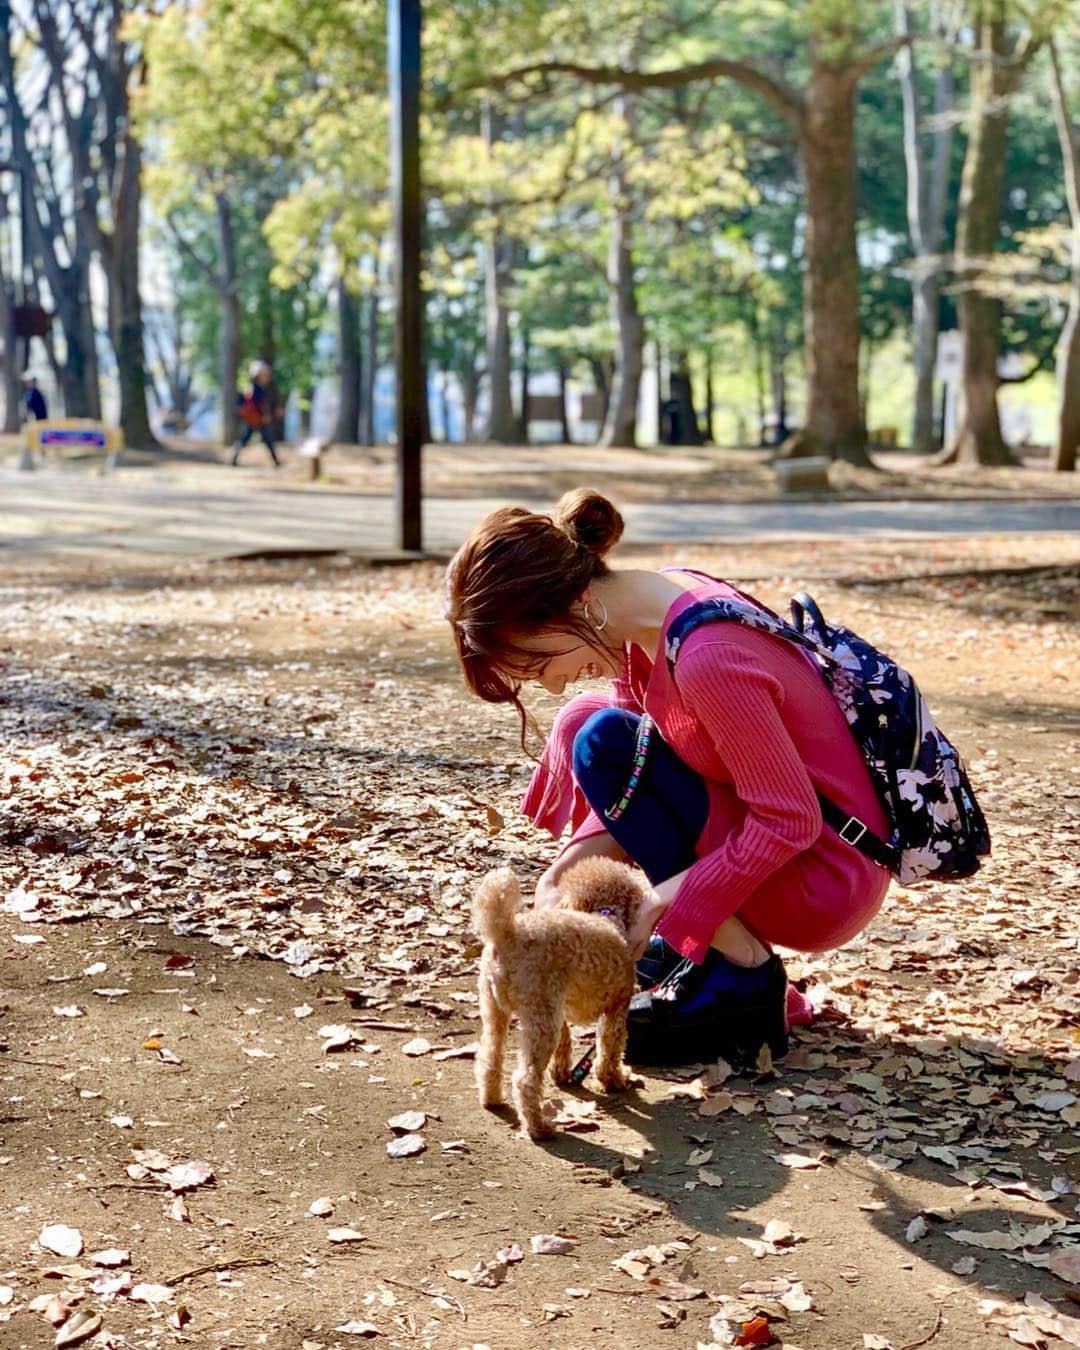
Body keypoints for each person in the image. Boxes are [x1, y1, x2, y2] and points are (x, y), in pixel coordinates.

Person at [444, 488, 892, 1067]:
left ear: (566, 604)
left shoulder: (708, 657)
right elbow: (645, 758)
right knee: (591, 723)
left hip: (824, 876)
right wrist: (567, 868)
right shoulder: (652, 611)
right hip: (804, 841)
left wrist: (666, 903)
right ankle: (714, 950)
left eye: (535, 661)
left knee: (601, 736)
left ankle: (741, 973)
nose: (550, 685)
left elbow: (790, 821)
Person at [230, 360, 281, 467]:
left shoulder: (251, 388)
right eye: (265, 375)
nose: (266, 377)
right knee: (261, 440)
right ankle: (276, 462)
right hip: (257, 420)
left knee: (251, 439)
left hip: (254, 420)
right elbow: (261, 406)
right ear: (258, 375)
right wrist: (266, 415)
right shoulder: (256, 390)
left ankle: (276, 461)